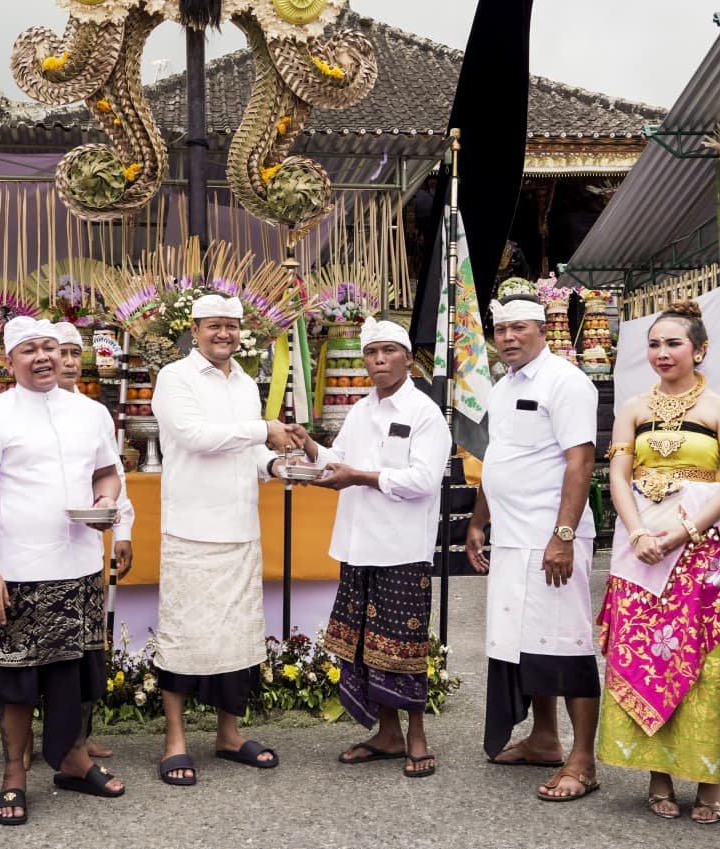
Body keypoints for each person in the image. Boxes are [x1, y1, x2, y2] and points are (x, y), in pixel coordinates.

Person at [595, 300, 720, 824]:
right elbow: (618, 478)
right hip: (642, 548)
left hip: (702, 551)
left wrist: (686, 532)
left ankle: (709, 784)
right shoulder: (630, 407)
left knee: (702, 663)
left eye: (674, 343)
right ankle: (657, 777)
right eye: (654, 344)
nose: (662, 353)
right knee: (645, 657)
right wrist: (634, 532)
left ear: (699, 350)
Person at [0, 317, 125, 826]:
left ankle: (74, 761)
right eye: (29, 350)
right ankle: (13, 775)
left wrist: (105, 500)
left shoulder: (91, 412)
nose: (43, 357)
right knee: (16, 680)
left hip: (78, 567)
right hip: (17, 571)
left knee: (74, 673)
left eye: (50, 347)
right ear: (11, 362)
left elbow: (107, 470)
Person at [151, 293, 303, 786]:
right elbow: (196, 436)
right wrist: (264, 430)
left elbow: (249, 449)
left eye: (232, 326)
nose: (224, 334)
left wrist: (275, 464)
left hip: (241, 529)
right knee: (182, 639)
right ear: (194, 330)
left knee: (237, 640)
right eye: (214, 326)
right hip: (193, 530)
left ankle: (229, 735)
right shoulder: (175, 378)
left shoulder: (243, 381)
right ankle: (175, 740)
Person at [298, 318, 451, 778]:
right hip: (358, 545)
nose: (379, 360)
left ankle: (417, 736)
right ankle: (387, 735)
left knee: (403, 646)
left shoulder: (425, 413)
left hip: (402, 549)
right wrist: (307, 447)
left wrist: (359, 478)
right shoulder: (361, 411)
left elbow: (423, 481)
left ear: (407, 357)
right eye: (371, 353)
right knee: (365, 646)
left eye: (388, 351)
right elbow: (337, 463)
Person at [466, 294, 601, 802]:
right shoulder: (502, 388)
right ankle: (544, 740)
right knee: (524, 644)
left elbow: (580, 462)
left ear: (542, 329)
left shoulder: (566, 382)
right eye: (501, 331)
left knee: (565, 644)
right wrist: (480, 521)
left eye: (519, 328)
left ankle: (582, 758)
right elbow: (496, 459)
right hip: (511, 538)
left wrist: (562, 536)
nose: (508, 339)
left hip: (551, 538)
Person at [48, 320, 136, 762]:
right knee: (39, 655)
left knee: (87, 648)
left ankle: (79, 737)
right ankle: (33, 742)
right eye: (58, 352)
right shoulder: (17, 409)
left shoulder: (95, 412)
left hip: (86, 547)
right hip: (35, 553)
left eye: (72, 354)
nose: (65, 362)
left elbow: (113, 477)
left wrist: (122, 530)